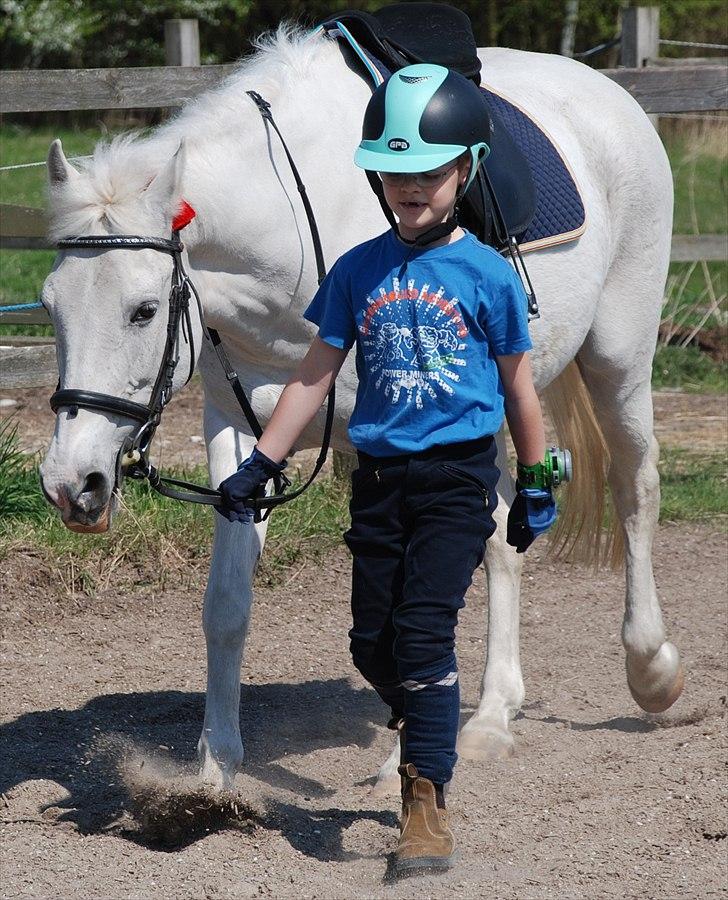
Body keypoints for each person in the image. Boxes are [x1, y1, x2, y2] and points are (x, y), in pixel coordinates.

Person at [217, 64, 557, 877]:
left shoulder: (487, 274)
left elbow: (518, 385)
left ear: (465, 171)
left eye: (430, 172)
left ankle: (424, 803)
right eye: (395, 171)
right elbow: (313, 375)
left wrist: (538, 480)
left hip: (455, 481)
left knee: (424, 634)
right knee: (374, 643)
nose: (411, 187)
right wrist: (261, 461)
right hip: (377, 480)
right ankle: (431, 714)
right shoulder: (358, 270)